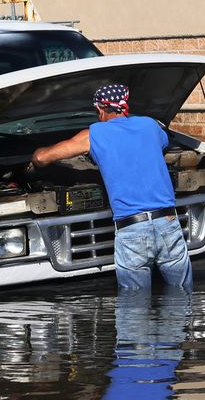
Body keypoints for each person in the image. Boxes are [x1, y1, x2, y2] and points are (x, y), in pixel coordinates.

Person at [32, 84, 192, 291]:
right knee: (182, 294)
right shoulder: (150, 125)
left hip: (132, 229)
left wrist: (34, 160)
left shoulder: (94, 134)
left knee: (134, 308)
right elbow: (159, 145)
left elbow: (41, 157)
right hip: (168, 223)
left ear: (100, 109)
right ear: (125, 105)